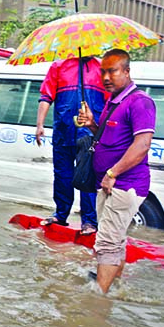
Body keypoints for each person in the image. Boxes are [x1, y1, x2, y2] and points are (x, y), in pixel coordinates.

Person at [77, 49, 156, 293]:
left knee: (107, 242)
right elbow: (111, 137)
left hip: (124, 184)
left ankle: (97, 299)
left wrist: (112, 174)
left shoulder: (140, 101)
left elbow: (142, 145)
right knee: (116, 238)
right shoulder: (115, 101)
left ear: (127, 71)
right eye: (103, 72)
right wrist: (92, 124)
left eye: (112, 71)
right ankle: (114, 285)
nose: (106, 77)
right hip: (108, 183)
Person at [36, 56, 107, 235]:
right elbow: (46, 96)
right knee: (62, 176)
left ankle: (89, 221)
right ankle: (61, 214)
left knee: (87, 177)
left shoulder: (102, 67)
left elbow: (110, 102)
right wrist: (39, 125)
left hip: (89, 132)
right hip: (63, 130)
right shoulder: (59, 66)